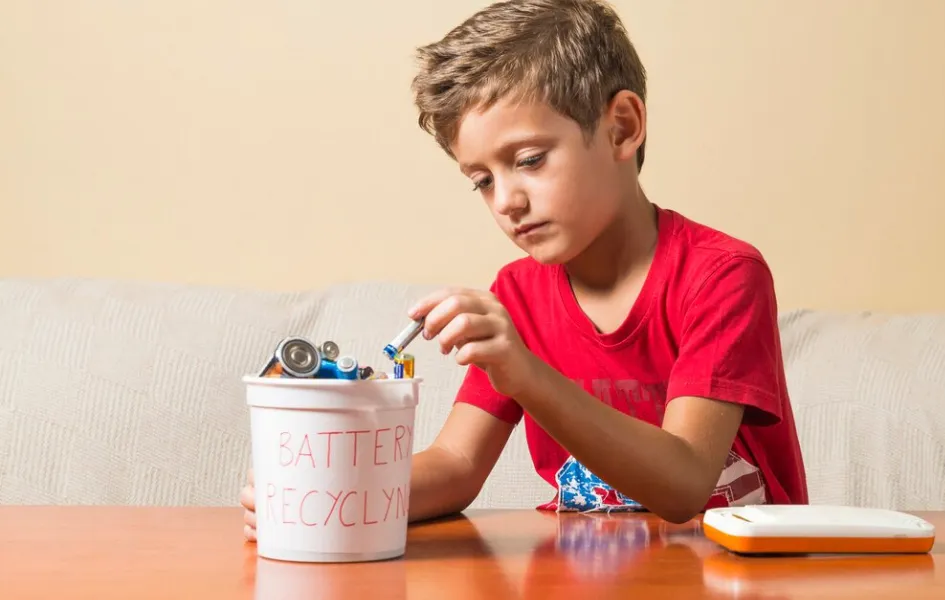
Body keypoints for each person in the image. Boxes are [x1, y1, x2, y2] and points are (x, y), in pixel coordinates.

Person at [241, 0, 805, 540]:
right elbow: (459, 463)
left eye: (529, 160)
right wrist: (333, 495)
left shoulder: (722, 276)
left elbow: (685, 485)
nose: (506, 200)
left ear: (622, 128)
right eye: (482, 180)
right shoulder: (518, 293)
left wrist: (525, 371)